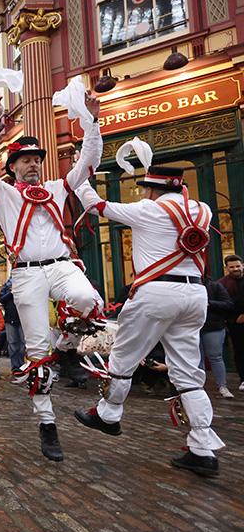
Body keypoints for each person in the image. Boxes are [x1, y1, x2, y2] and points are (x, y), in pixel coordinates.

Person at [73, 166, 224, 477]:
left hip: (156, 293)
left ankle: (109, 415)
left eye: (145, 189)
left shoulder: (147, 209)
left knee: (123, 356)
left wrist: (80, 177)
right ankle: (202, 449)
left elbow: (94, 205)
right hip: (195, 294)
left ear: (151, 190)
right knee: (188, 372)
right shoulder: (203, 210)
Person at [0, 92, 104, 462]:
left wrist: (92, 121)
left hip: (61, 264)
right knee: (36, 352)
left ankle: (65, 344)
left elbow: (88, 162)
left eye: (37, 159)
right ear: (13, 167)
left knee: (88, 300)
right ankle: (47, 423)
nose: (33, 164)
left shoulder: (56, 188)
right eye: (26, 160)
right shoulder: (3, 194)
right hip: (26, 274)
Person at [200, 271, 233, 398]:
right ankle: (199, 387)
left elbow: (228, 304)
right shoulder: (187, 288)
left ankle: (222, 386)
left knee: (215, 357)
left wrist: (210, 303)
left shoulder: (216, 286)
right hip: (194, 328)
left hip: (213, 327)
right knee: (197, 359)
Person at [218, 254, 244, 391]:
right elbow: (223, 304)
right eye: (232, 267)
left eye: (238, 266)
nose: (235, 269)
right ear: (226, 268)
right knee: (240, 351)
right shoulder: (222, 283)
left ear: (243, 265)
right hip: (234, 323)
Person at [0, 277, 25, 374]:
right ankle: (15, 366)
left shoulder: (24, 283)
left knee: (23, 343)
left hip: (23, 318)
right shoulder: (6, 285)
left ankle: (23, 365)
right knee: (12, 343)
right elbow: (1, 299)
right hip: (10, 319)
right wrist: (11, 293)